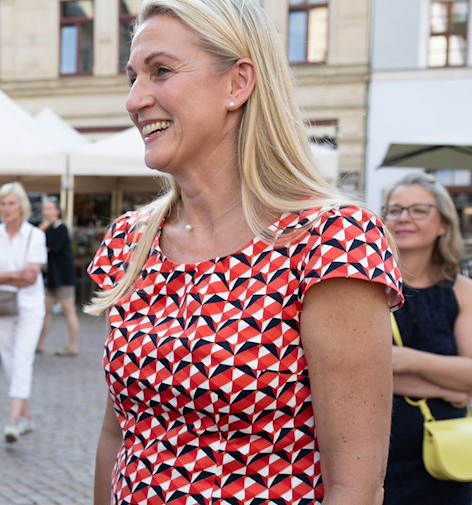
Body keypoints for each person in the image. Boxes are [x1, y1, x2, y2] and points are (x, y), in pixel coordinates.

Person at [86, 1, 403, 504]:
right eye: (132, 77)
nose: (134, 99)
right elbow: (118, 434)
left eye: (160, 71)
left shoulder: (330, 241)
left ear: (238, 83)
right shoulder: (132, 240)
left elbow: (356, 486)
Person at [382, 173, 472, 505]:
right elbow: (354, 374)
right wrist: (448, 387)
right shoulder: (370, 288)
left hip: (448, 461)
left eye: (419, 210)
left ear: (444, 224)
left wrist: (407, 361)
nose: (404, 218)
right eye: (395, 210)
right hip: (376, 459)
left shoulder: (464, 292)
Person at [0, 182, 46, 443]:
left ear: (21, 206)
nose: (6, 208)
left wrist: (2, 277)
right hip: (2, 305)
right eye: (2, 203)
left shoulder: (35, 235)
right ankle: (27, 416)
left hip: (30, 306)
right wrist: (14, 275)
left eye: (11, 203)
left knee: (22, 359)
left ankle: (13, 421)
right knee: (8, 361)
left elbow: (32, 277)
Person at [36, 197, 80, 356]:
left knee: (69, 311)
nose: (46, 211)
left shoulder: (61, 228)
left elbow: (48, 248)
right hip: (52, 278)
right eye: (45, 209)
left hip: (63, 278)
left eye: (49, 208)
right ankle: (40, 344)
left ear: (57, 211)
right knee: (45, 311)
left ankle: (73, 346)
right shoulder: (47, 228)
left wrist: (41, 231)